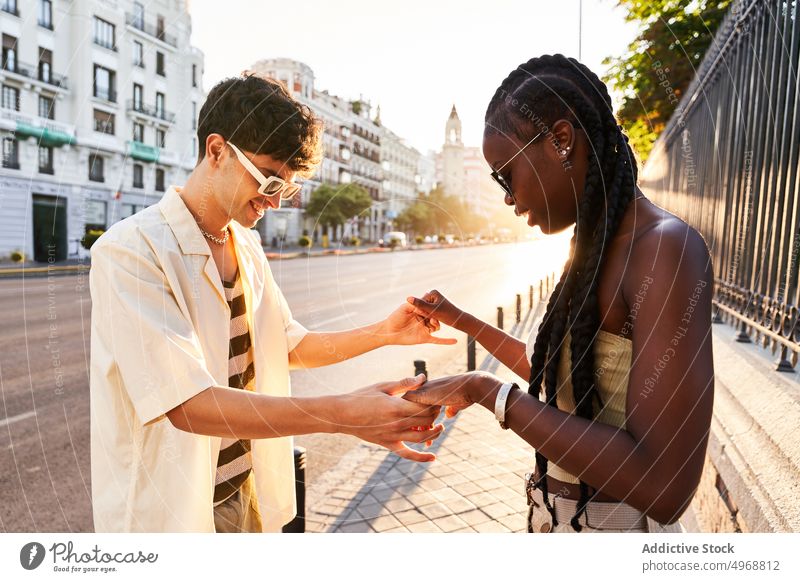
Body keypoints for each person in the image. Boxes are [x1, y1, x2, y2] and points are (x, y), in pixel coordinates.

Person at [89, 73, 454, 533]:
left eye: (286, 189)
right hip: (170, 513)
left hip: (248, 495)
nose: (275, 203)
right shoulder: (130, 251)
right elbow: (186, 404)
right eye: (269, 182)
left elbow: (285, 345)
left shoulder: (246, 245)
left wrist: (383, 333)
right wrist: (343, 414)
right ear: (216, 150)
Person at [405, 54, 715, 533]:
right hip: (555, 521)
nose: (507, 198)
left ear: (561, 141)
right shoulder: (594, 247)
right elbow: (562, 384)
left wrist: (486, 391)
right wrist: (463, 320)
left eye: (506, 174)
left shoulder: (664, 250)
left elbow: (666, 485)